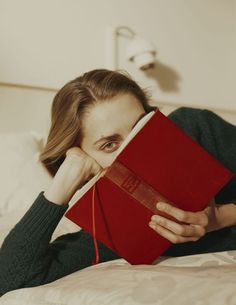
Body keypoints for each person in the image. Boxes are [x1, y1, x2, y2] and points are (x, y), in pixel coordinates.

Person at [0, 69, 236, 296]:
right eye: (110, 144)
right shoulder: (105, 227)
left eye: (141, 126)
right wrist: (60, 187)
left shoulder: (195, 128)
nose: (138, 148)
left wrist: (219, 218)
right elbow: (10, 280)